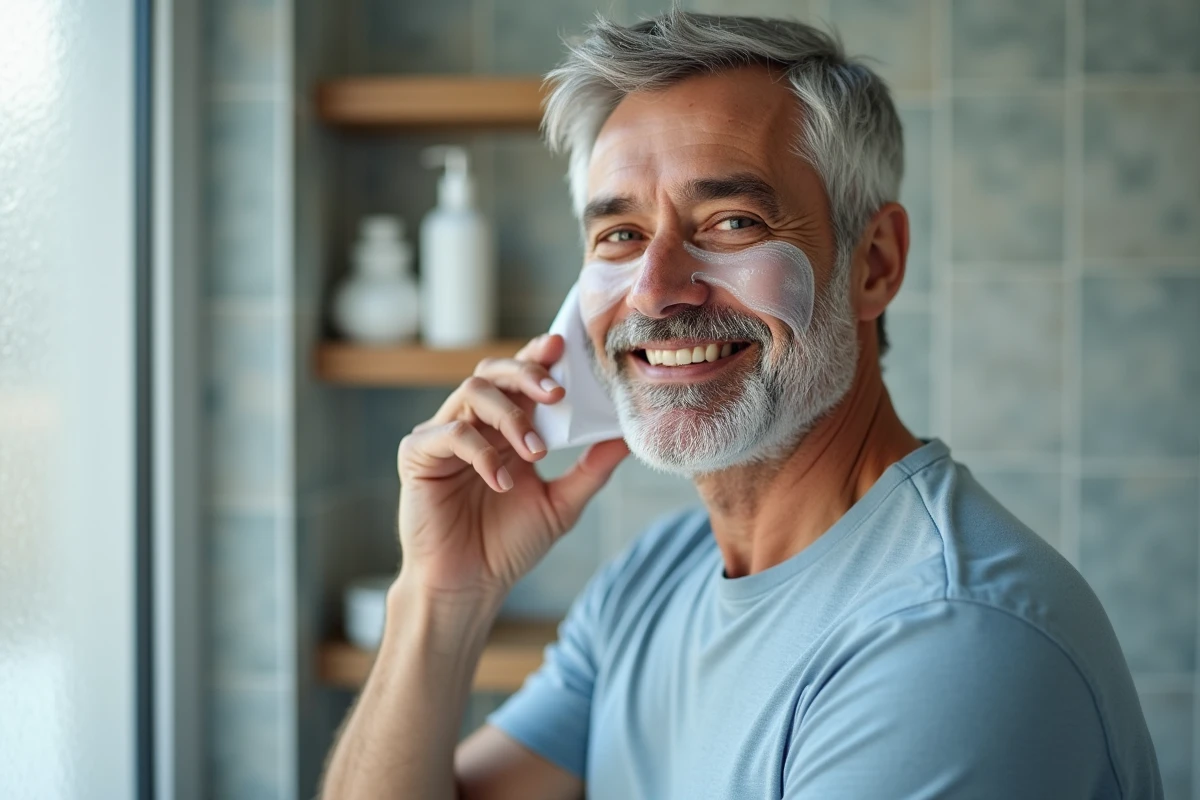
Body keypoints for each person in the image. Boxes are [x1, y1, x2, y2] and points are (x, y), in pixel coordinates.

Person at [321, 10, 1162, 799]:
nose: (655, 290)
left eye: (731, 222)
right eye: (620, 235)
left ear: (874, 264)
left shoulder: (950, 638)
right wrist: (439, 596)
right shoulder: (656, 579)